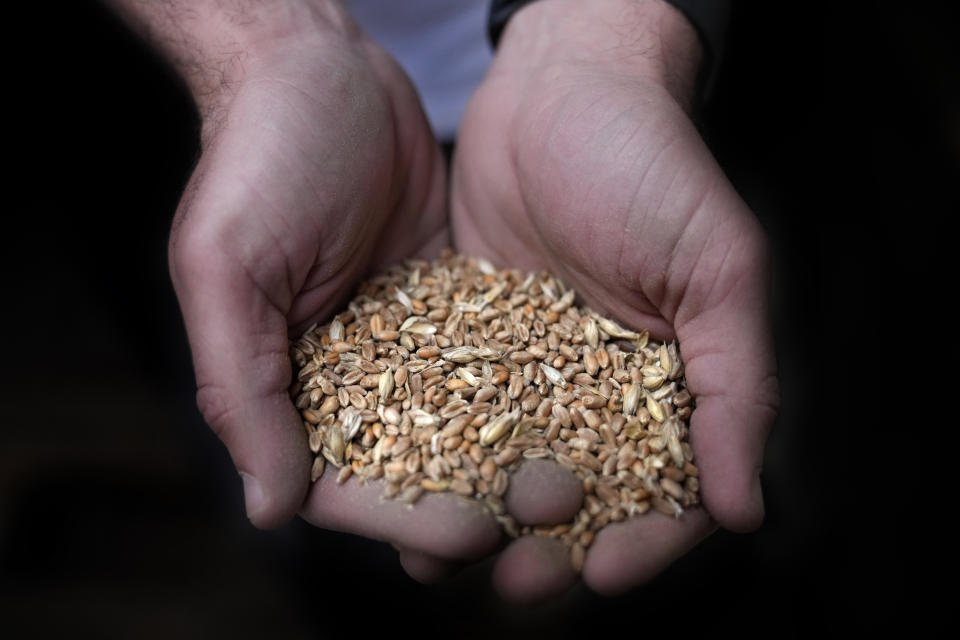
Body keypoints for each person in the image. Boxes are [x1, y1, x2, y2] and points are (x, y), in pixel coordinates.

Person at [102, 0, 779, 602]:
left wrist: (620, 31)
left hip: (665, 83)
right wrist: (257, 40)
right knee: (319, 539)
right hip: (247, 102)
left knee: (728, 534)